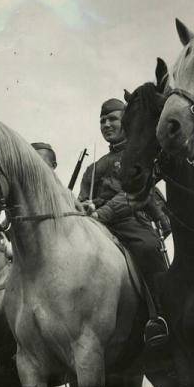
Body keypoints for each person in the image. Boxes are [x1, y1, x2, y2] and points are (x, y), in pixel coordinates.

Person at [78, 98, 171, 348]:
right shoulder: (92, 169)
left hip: (131, 221)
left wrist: (100, 212)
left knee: (149, 247)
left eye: (112, 119)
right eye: (102, 121)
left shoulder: (140, 155)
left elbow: (134, 195)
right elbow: (81, 201)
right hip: (97, 225)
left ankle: (161, 317)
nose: (106, 125)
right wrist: (86, 207)